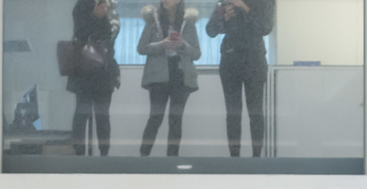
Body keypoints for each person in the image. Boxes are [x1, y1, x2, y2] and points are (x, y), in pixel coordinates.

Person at [206, 0, 275, 157]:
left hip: (254, 62)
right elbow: (210, 31)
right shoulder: (225, 2)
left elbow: (265, 27)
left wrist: (244, 7)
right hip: (230, 61)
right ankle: (234, 158)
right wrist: (223, 18)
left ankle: (257, 157)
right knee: (232, 113)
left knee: (255, 112)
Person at [137, 2, 202, 156]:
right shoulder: (153, 19)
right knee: (155, 118)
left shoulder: (188, 21)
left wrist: (182, 44)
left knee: (176, 121)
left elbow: (197, 53)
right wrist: (162, 44)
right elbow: (141, 48)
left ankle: (172, 160)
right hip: (158, 77)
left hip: (181, 77)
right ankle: (142, 158)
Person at [67, 0, 121, 156]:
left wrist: (115, 70)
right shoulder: (82, 6)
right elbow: (80, 35)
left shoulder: (112, 10)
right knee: (81, 112)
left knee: (102, 114)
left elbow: (109, 41)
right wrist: (95, 17)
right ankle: (78, 151)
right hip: (83, 69)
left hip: (103, 69)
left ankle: (104, 153)